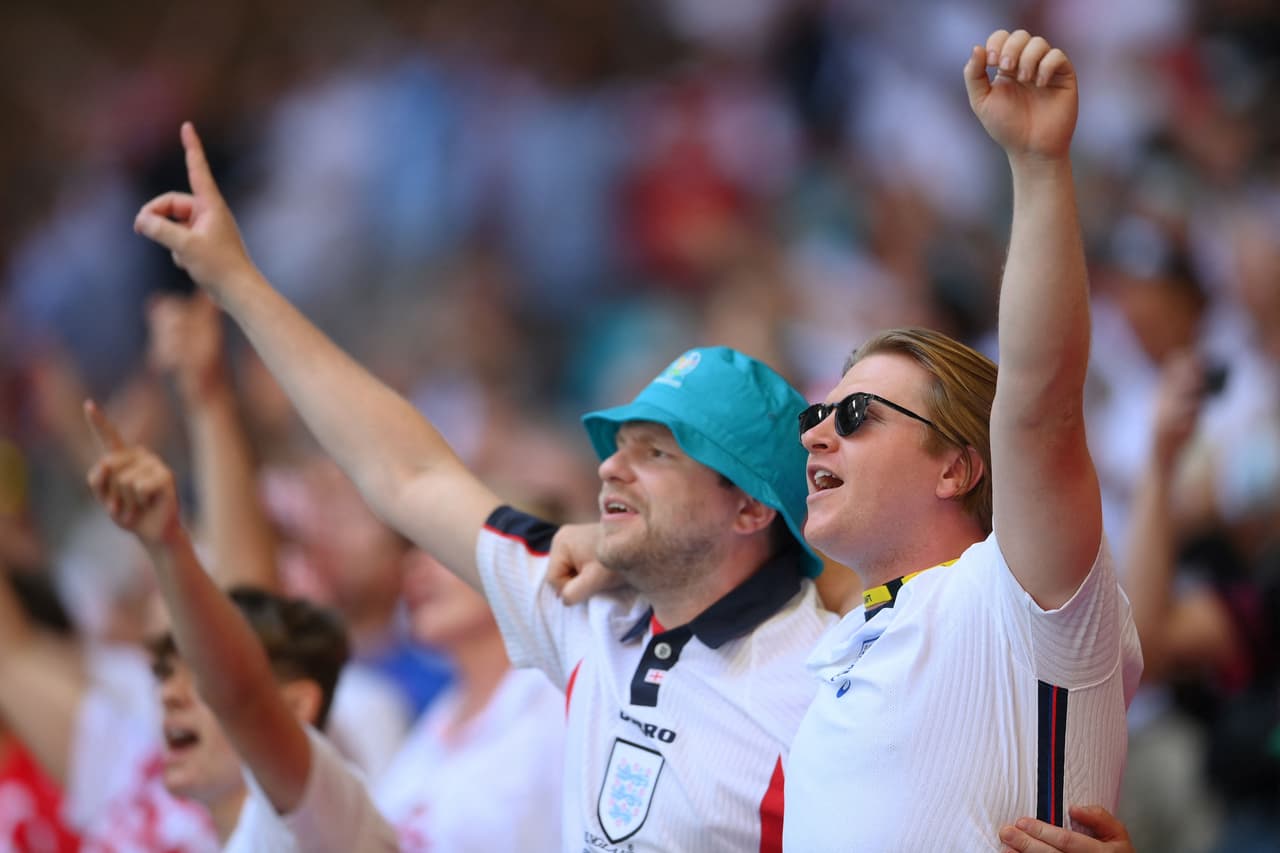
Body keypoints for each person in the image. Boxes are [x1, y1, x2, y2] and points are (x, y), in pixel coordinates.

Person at [134, 124, 832, 846]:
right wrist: (239, 283)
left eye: (656, 453)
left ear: (750, 508)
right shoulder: (586, 608)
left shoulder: (829, 694)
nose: (609, 468)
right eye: (618, 446)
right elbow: (408, 472)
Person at [781, 29, 1141, 850]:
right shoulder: (841, 641)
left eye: (856, 414)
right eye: (816, 416)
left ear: (958, 466)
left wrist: (1039, 166)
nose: (818, 435)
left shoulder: (1013, 596)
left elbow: (1042, 407)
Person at [84, 402, 398, 851]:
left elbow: (243, 693)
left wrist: (168, 546)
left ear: (296, 705)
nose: (169, 695)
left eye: (202, 677)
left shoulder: (326, 819)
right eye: (165, 673)